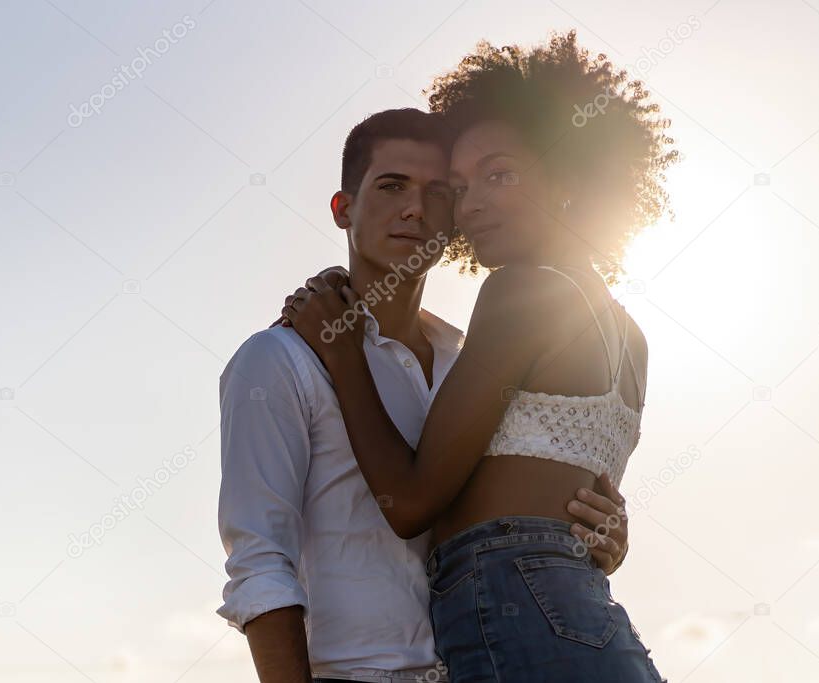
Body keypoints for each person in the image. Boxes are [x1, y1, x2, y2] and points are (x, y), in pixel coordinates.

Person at [279, 31, 676, 682]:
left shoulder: (522, 288)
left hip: (514, 601)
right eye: (460, 187)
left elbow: (408, 502)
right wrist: (603, 541)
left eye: (500, 173)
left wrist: (343, 346)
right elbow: (568, 497)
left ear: (569, 176)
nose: (472, 204)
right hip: (580, 610)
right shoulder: (628, 334)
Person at [218, 106, 632, 683]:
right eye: (391, 186)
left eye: (440, 192)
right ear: (344, 209)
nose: (415, 208)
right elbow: (260, 563)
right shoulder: (280, 358)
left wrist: (595, 534)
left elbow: (517, 504)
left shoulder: (473, 364)